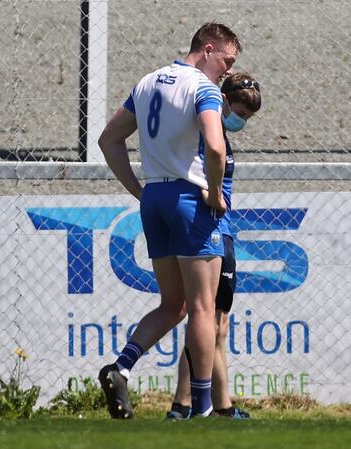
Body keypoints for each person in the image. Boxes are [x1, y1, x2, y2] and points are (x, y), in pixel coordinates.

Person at [96, 22, 242, 419]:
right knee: (202, 308)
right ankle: (203, 407)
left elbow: (108, 139)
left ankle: (120, 367)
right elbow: (215, 145)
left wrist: (139, 191)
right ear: (208, 49)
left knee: (173, 304)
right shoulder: (203, 87)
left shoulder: (147, 82)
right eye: (227, 60)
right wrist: (213, 191)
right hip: (191, 199)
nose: (228, 70)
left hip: (156, 197)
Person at [166, 73, 262, 420]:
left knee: (214, 324)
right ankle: (190, 405)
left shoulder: (218, 133)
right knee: (206, 320)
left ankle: (207, 405)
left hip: (222, 231)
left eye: (247, 118)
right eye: (238, 113)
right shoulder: (204, 132)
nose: (241, 122)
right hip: (210, 231)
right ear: (221, 99)